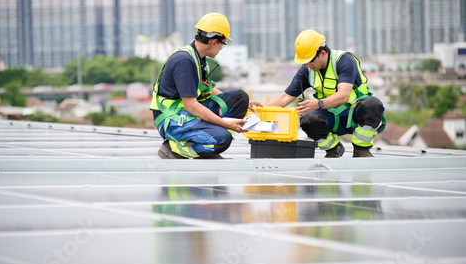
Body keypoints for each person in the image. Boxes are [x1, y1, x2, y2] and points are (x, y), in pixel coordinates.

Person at [264, 29, 385, 157]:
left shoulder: (344, 61)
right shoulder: (307, 70)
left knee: (372, 104)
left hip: (354, 113)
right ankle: (333, 149)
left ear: (322, 53)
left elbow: (344, 95)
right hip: (331, 117)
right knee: (307, 120)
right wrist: (260, 111)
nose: (308, 65)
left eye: (310, 60)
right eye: (304, 62)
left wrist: (318, 104)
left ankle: (361, 149)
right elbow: (285, 97)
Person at [150, 12, 255, 159]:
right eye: (222, 44)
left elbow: (207, 88)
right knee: (223, 139)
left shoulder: (198, 58)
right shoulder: (184, 61)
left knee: (240, 98)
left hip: (186, 111)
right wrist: (225, 124)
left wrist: (245, 104)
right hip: (173, 119)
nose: (221, 48)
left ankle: (207, 139)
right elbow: (191, 106)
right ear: (213, 42)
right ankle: (175, 148)